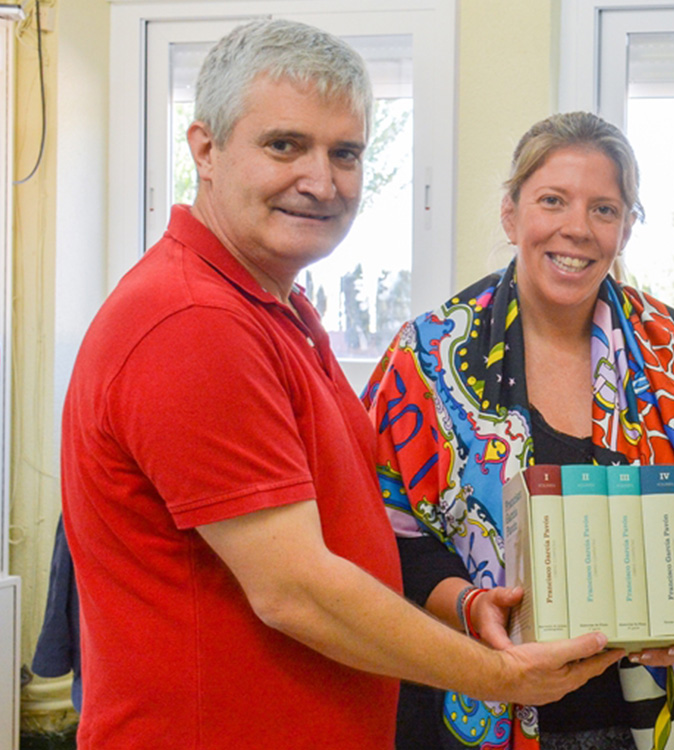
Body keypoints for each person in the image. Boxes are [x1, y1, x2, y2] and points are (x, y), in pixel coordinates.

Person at [60, 20, 621, 749]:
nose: (321, 181)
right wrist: (504, 679)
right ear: (204, 149)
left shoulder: (274, 306)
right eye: (284, 145)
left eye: (345, 153)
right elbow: (296, 591)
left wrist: (464, 606)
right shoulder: (193, 322)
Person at [364, 111, 674, 750]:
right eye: (553, 200)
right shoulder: (426, 360)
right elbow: (387, 532)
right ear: (511, 213)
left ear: (626, 228)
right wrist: (468, 604)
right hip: (480, 705)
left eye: (604, 209)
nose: (577, 228)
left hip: (655, 716)